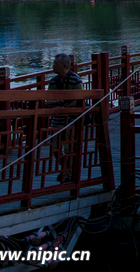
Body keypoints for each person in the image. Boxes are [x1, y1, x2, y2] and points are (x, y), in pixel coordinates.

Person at [47, 53, 83, 183]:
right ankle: (66, 169)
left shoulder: (76, 80)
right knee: (54, 147)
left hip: (71, 119)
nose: (53, 66)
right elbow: (48, 100)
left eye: (55, 64)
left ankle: (68, 174)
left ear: (64, 65)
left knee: (69, 148)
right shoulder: (53, 81)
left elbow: (79, 100)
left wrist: (65, 104)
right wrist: (57, 103)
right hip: (57, 119)